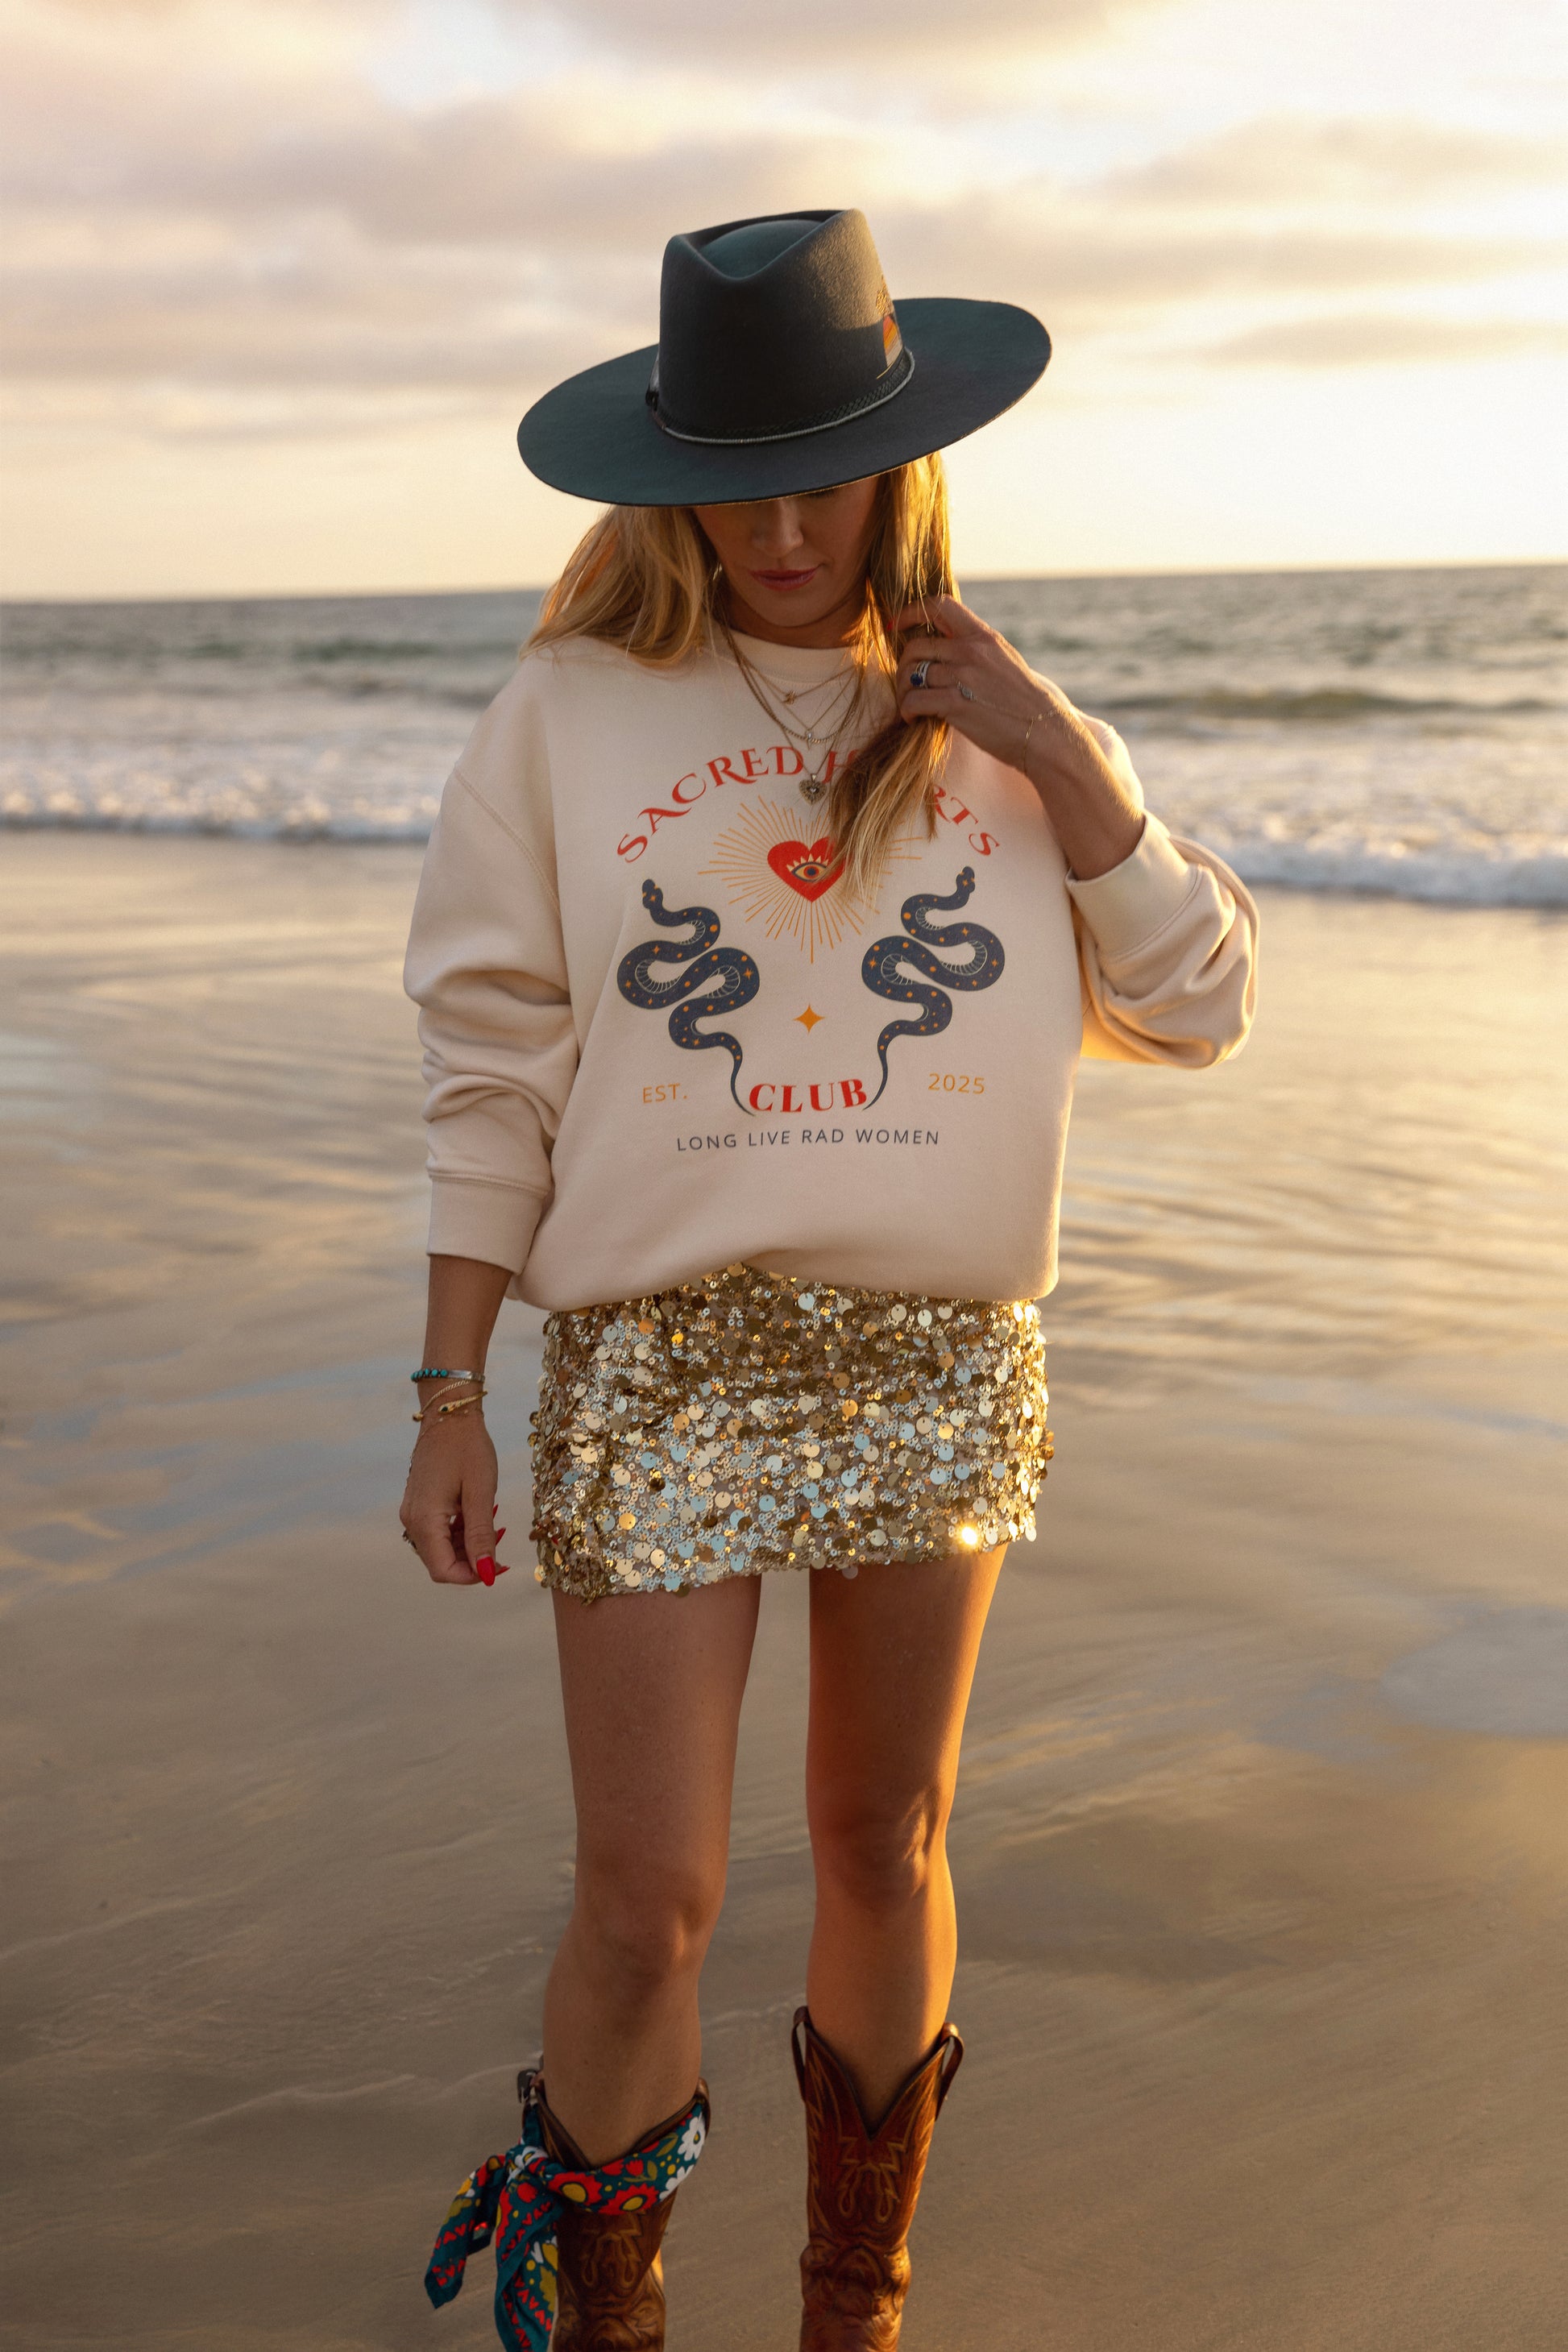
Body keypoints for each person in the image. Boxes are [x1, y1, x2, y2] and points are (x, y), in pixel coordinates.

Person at [404, 208, 1258, 2350]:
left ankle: (850, 2306)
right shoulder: (567, 714)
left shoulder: (991, 718)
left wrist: (1060, 760)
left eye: (826, 472)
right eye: (736, 478)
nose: (784, 524)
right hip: (657, 1361)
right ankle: (608, 2317)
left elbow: (1202, 999)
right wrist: (444, 1395)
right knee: (647, 1898)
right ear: (668, 482)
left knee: (884, 1835)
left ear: (899, 465)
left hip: (939, 1358)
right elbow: (489, 1062)